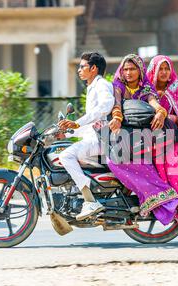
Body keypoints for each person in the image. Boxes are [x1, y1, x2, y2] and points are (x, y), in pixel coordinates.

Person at [106, 54, 178, 226]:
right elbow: (117, 102)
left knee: (114, 161)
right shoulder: (118, 85)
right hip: (121, 131)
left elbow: (154, 102)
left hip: (141, 135)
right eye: (125, 69)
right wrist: (117, 117)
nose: (128, 73)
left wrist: (161, 113)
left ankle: (160, 195)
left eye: (132, 69)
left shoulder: (146, 87)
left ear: (140, 71)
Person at [58, 52, 115, 221]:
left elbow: (106, 105)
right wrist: (69, 131)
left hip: (102, 139)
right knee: (62, 149)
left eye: (82, 66)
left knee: (66, 155)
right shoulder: (92, 87)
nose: (79, 70)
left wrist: (77, 123)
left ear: (93, 68)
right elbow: (91, 124)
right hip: (96, 136)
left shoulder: (101, 85)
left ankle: (89, 200)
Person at [146, 55, 178, 227]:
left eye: (167, 68)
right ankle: (171, 210)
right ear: (153, 70)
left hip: (173, 137)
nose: (164, 72)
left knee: (175, 173)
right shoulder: (146, 90)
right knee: (159, 175)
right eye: (160, 68)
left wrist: (169, 117)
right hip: (152, 139)